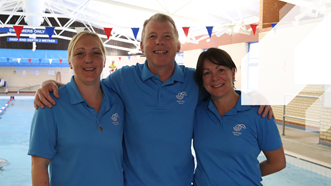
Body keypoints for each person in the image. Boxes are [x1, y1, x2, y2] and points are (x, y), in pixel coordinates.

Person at [33, 13, 274, 186]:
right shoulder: (124, 79)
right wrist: (53, 86)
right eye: (152, 37)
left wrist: (254, 96)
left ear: (178, 44)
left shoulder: (194, 81)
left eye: (167, 36)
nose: (160, 42)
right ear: (142, 45)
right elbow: (89, 85)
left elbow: (220, 88)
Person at [28, 31, 124, 186]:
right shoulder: (50, 104)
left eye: (96, 52)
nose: (88, 59)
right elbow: (39, 165)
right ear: (70, 62)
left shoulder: (118, 103)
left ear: (104, 60)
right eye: (80, 53)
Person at [193, 48, 286, 186]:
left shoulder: (258, 112)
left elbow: (278, 163)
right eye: (207, 73)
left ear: (233, 72)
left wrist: (244, 175)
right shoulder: (197, 112)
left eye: (221, 70)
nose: (214, 77)